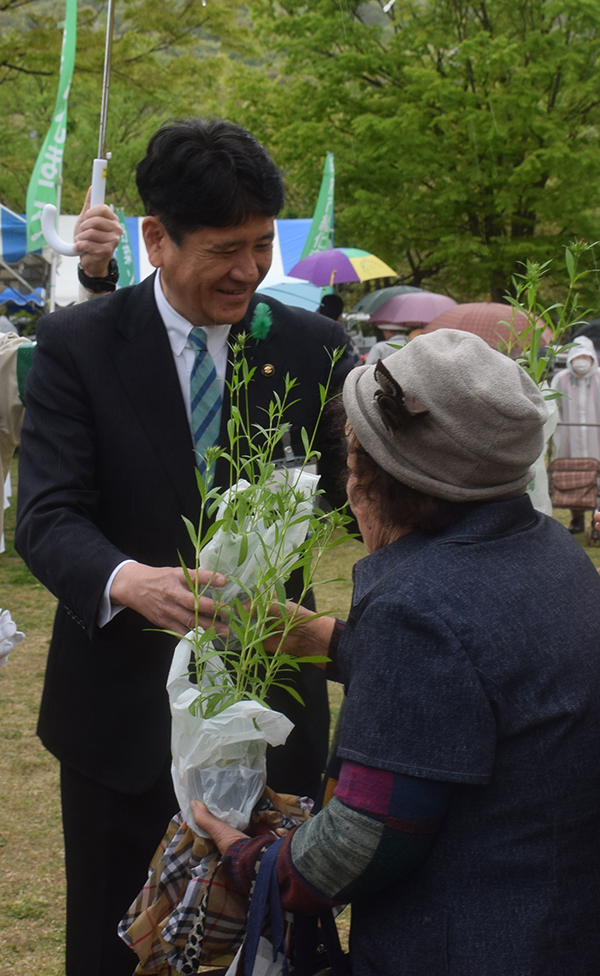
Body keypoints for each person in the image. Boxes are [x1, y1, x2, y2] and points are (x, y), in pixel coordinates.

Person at [15, 118, 356, 976]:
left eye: (263, 246)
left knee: (272, 945)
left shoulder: (312, 350)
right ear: (155, 239)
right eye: (224, 249)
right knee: (119, 944)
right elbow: (49, 516)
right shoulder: (78, 349)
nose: (248, 271)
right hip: (122, 724)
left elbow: (358, 505)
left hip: (274, 716)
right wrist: (129, 581)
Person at [194, 329, 600, 976]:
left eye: (352, 460)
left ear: (380, 480)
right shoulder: (552, 552)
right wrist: (327, 642)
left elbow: (359, 840)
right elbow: (479, 683)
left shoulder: (415, 608)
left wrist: (251, 857)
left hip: (469, 944)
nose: (347, 481)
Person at [551, 335, 600, 533]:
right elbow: (552, 407)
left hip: (595, 437)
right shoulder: (560, 380)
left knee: (597, 477)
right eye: (577, 357)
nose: (581, 362)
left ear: (592, 359)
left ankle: (596, 520)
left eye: (585, 357)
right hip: (568, 437)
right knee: (572, 477)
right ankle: (576, 519)